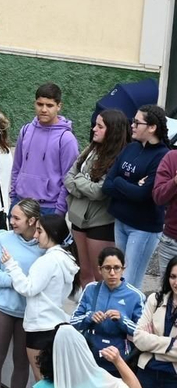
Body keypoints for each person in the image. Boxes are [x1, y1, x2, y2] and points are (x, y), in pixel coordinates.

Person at [0, 198, 46, 388]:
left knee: (22, 361)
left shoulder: (42, 245)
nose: (11, 221)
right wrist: (13, 281)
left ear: (32, 220)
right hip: (1, 308)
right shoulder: (3, 239)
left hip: (27, 312)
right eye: (11, 216)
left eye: (16, 218)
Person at [104, 103, 172, 290]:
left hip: (144, 227)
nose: (132, 125)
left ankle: (131, 318)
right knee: (116, 276)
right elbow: (108, 184)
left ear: (152, 128)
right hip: (121, 221)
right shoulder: (130, 148)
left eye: (136, 122)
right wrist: (127, 185)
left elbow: (143, 194)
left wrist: (120, 181)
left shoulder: (162, 156)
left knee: (130, 281)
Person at [4, 214, 81, 374]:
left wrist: (11, 265)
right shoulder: (66, 259)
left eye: (39, 231)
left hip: (39, 327)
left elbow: (28, 288)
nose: (35, 235)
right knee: (52, 380)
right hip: (56, 325)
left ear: (52, 233)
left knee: (42, 384)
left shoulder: (48, 261)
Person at [68, 109, 130, 285]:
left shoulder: (120, 157)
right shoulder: (91, 148)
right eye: (95, 124)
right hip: (78, 218)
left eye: (100, 126)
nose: (94, 129)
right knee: (83, 273)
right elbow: (68, 178)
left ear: (113, 131)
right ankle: (88, 311)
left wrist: (79, 180)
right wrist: (82, 185)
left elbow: (99, 192)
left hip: (101, 222)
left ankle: (103, 311)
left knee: (101, 276)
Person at [131, 258, 177, 388]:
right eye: (173, 276)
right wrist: (170, 344)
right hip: (147, 377)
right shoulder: (155, 300)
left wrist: (154, 343)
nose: (176, 282)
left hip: (173, 381)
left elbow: (147, 341)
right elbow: (139, 338)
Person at [71, 246, 145, 368]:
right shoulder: (91, 289)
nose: (112, 273)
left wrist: (122, 320)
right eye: (107, 268)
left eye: (116, 268)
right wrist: (89, 317)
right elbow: (73, 322)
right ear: (100, 269)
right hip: (90, 357)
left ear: (123, 269)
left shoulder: (136, 296)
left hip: (119, 360)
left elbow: (142, 333)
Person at [13, 82, 79, 216]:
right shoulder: (26, 131)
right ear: (34, 104)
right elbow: (16, 167)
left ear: (59, 106)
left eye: (49, 105)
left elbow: (68, 178)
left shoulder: (66, 139)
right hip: (19, 203)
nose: (43, 109)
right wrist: (12, 197)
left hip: (47, 208)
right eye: (39, 104)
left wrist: (59, 211)